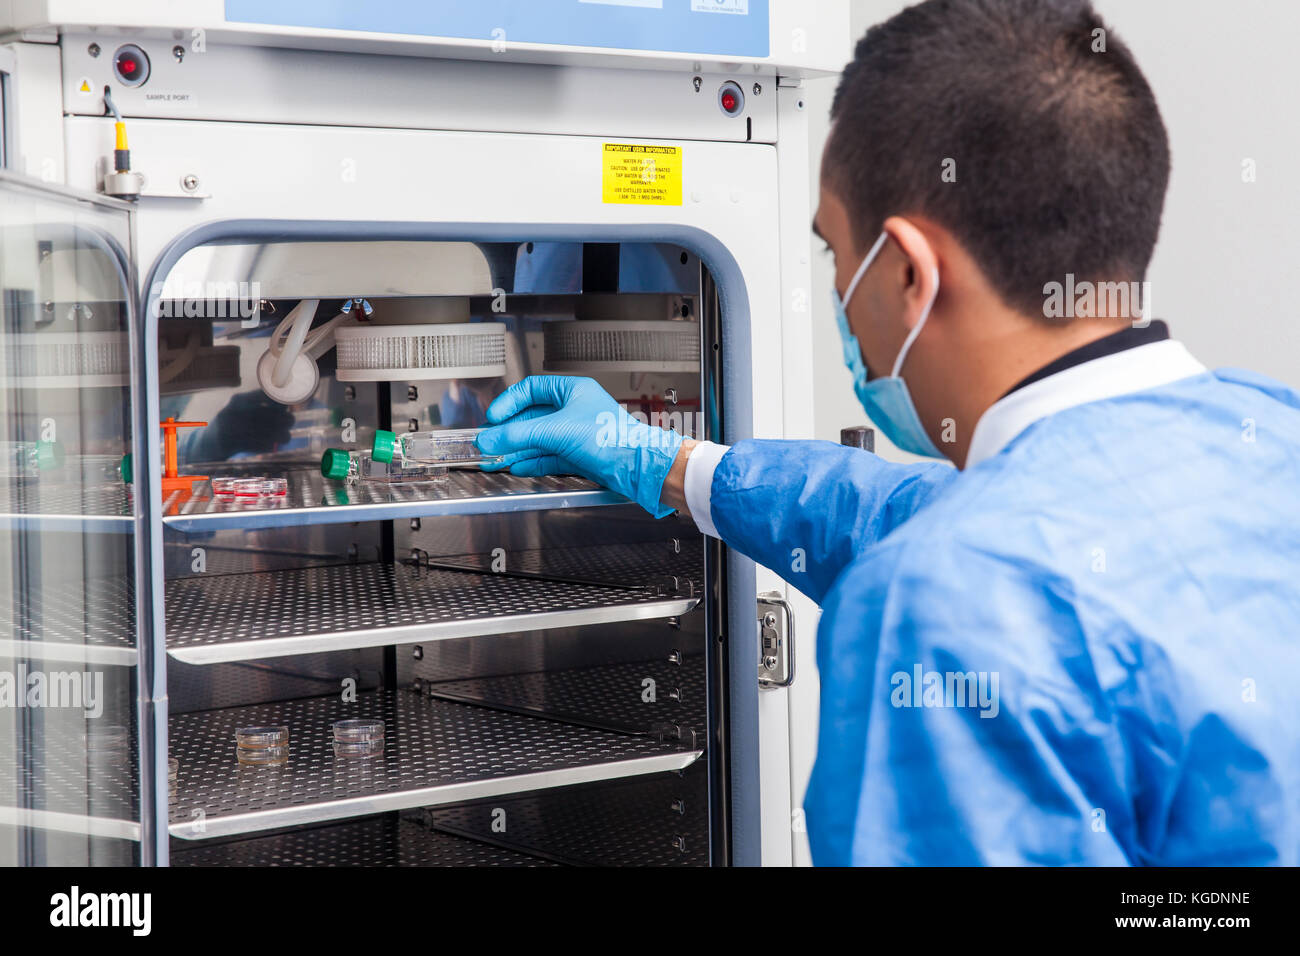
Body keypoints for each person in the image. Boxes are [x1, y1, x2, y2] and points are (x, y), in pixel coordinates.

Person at [476, 0, 1300, 865]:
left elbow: (968, 563)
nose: (837, 294)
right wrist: (663, 461)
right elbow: (912, 515)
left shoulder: (940, 604)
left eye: (835, 254)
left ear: (908, 270)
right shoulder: (1263, 437)